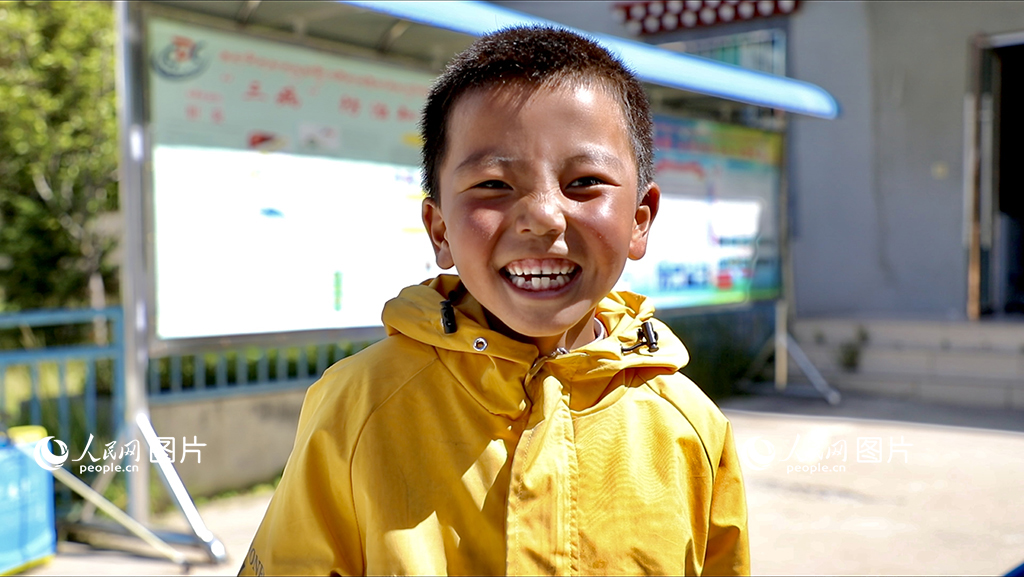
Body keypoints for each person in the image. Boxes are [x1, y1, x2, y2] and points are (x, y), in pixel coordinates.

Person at [240, 26, 748, 576]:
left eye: (584, 182)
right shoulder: (358, 405)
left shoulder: (690, 424)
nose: (544, 217)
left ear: (639, 220)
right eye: (492, 185)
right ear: (439, 230)